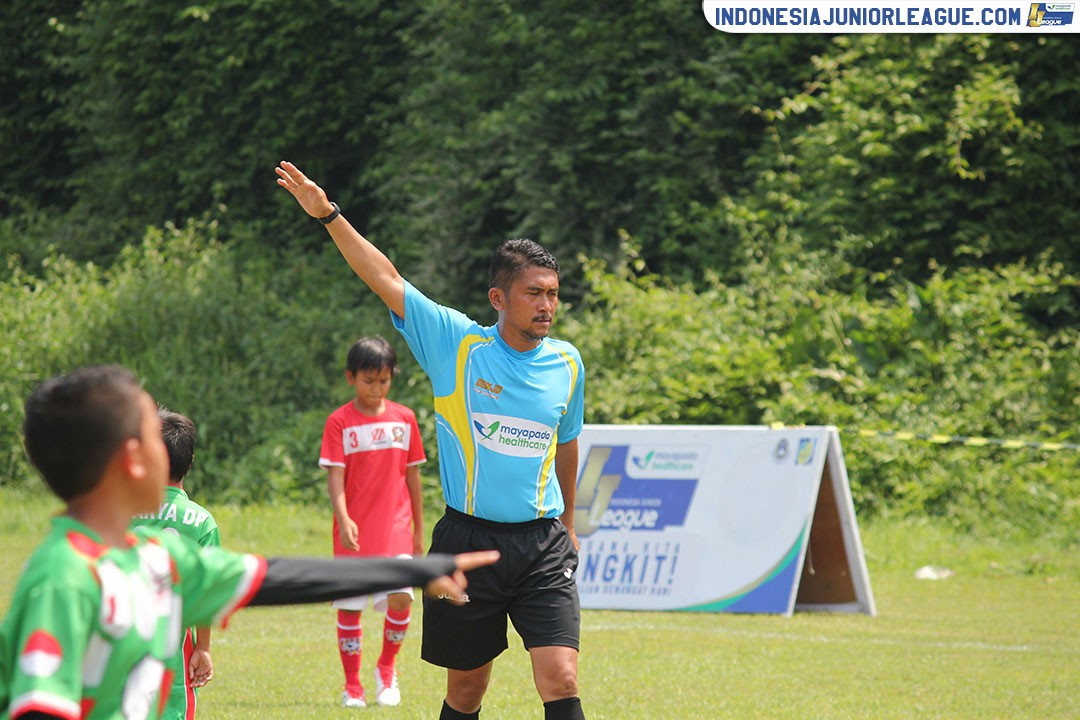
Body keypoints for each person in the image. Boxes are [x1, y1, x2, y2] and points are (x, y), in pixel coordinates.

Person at [0, 365, 498, 720]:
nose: (171, 445)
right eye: (154, 432)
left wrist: (412, 571)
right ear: (129, 458)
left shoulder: (154, 559)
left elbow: (279, 578)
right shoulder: (62, 580)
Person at [276, 161, 587, 720]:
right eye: (533, 293)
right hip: (467, 543)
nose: (546, 306)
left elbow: (567, 443)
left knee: (560, 679)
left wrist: (568, 524)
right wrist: (328, 215)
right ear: (499, 297)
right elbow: (387, 279)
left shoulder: (568, 363)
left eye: (553, 295)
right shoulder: (457, 344)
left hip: (543, 545)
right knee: (466, 692)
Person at [319, 337, 426, 708]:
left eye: (383, 380)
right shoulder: (339, 423)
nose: (376, 388)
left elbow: (413, 478)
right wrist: (344, 518)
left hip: (396, 530)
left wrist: (418, 531)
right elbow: (335, 478)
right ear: (351, 378)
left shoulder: (405, 419)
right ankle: (353, 686)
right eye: (368, 380)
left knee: (401, 598)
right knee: (350, 607)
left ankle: (386, 668)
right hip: (354, 535)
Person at [130, 408, 219, 720]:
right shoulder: (202, 523)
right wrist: (203, 648)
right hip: (173, 648)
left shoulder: (121, 511)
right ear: (190, 461)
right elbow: (205, 594)